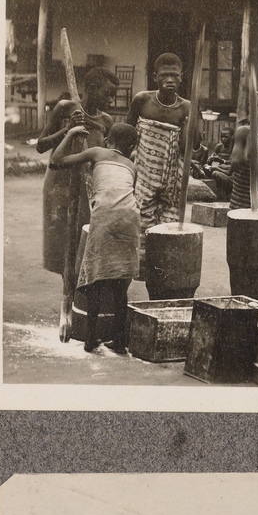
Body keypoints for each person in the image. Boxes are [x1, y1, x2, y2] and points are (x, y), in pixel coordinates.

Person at [49, 122, 140, 355]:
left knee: (96, 280)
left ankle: (90, 339)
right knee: (121, 283)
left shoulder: (97, 152)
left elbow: (56, 162)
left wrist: (69, 134)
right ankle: (119, 343)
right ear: (132, 147)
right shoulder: (131, 165)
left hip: (106, 216)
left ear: (108, 140)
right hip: (130, 218)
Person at [36, 67, 118, 275]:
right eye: (107, 95)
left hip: (88, 187)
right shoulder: (66, 108)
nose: (111, 101)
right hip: (60, 185)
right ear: (91, 88)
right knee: (64, 248)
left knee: (85, 245)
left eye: (113, 96)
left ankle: (77, 299)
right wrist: (67, 130)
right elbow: (41, 145)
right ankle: (68, 295)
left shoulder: (106, 121)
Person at [126, 53, 192, 231]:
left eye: (174, 75)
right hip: (144, 172)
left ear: (181, 78)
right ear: (155, 77)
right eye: (164, 75)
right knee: (141, 219)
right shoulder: (142, 100)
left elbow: (186, 149)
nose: (170, 79)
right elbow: (127, 134)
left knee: (168, 224)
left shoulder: (187, 107)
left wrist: (187, 125)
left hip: (172, 175)